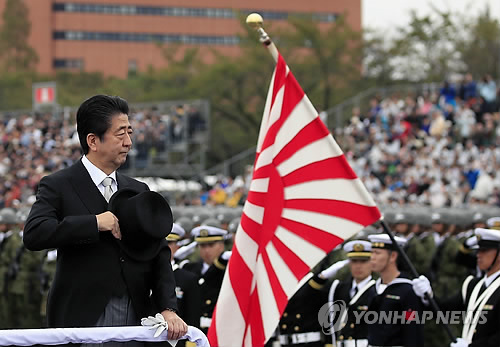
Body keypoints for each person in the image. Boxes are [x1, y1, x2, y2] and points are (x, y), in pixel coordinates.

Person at [23, 95, 187, 344]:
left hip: (138, 315)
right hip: (83, 316)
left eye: (129, 132)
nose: (129, 142)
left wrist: (168, 307)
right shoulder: (59, 185)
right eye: (120, 134)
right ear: (93, 140)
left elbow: (160, 254)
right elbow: (35, 233)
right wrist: (95, 223)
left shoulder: (138, 190)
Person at [413, 228, 500, 347]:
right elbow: (447, 312)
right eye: (478, 250)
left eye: (484, 250)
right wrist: (428, 296)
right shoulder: (472, 285)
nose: (478, 255)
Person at [367, 234, 425, 347]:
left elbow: (413, 332)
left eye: (377, 253)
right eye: (372, 252)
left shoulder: (407, 291)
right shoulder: (374, 288)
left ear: (393, 256)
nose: (372, 257)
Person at [182, 223, 230, 334]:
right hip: (195, 330)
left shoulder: (228, 271)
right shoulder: (189, 268)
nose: (206, 250)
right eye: (203, 246)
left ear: (221, 246)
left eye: (211, 245)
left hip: (220, 330)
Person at [328, 240, 376, 347]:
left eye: (363, 261)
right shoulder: (340, 288)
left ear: (372, 263)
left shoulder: (377, 289)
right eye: (354, 261)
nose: (358, 266)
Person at [166, 223, 201, 347]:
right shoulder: (144, 274)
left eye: (169, 243)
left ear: (177, 246)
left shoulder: (188, 278)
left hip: (177, 341)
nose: (165, 247)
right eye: (161, 242)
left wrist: (191, 342)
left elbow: (193, 315)